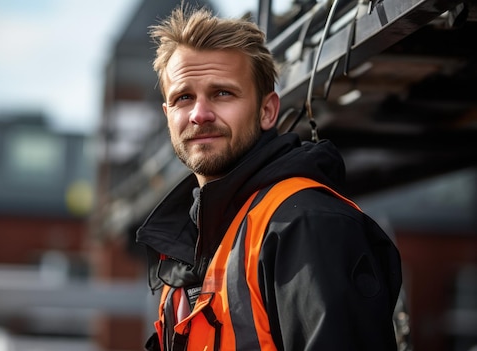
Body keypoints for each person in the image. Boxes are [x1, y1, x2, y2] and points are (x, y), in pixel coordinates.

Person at [135, 4, 403, 351]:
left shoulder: (307, 224)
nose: (200, 114)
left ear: (267, 111)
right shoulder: (186, 247)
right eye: (184, 97)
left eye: (222, 93)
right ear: (168, 114)